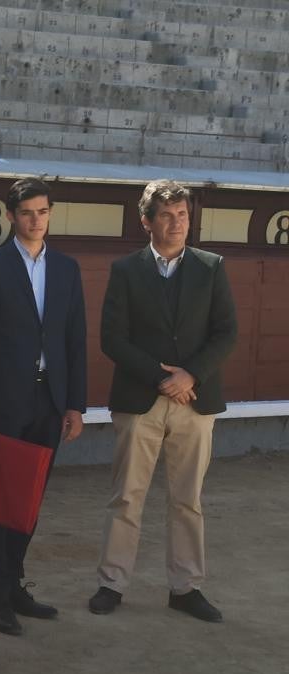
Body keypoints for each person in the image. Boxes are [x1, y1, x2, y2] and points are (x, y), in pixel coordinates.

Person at [89, 180, 237, 622]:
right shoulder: (125, 270)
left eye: (183, 215)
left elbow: (226, 332)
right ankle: (112, 583)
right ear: (146, 221)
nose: (177, 223)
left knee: (188, 498)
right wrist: (161, 378)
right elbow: (112, 338)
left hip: (195, 399)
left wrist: (191, 375)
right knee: (126, 496)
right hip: (141, 398)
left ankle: (186, 586)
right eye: (167, 216)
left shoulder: (211, 266)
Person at [0, 177, 87, 636]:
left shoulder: (67, 269)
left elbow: (75, 339)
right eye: (28, 213)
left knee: (29, 500)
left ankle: (13, 586)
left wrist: (75, 404)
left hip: (49, 400)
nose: (37, 220)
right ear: (12, 216)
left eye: (43, 212)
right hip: (3, 402)